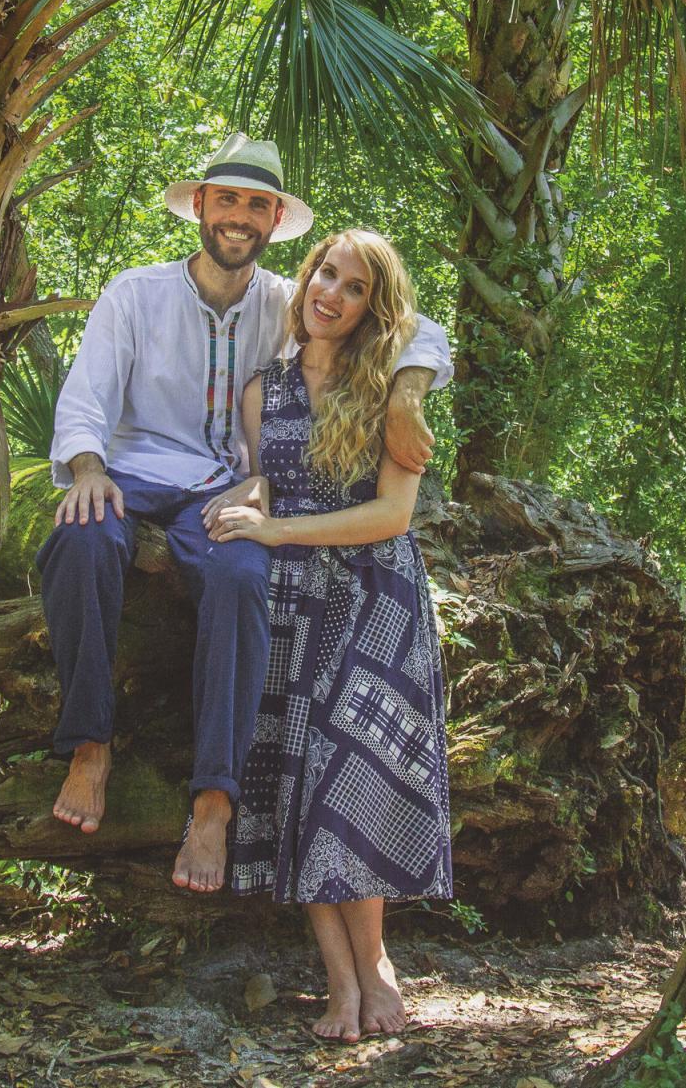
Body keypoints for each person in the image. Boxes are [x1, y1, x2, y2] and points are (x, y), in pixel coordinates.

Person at [36, 134, 451, 893]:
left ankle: (214, 799)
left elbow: (413, 324)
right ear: (200, 206)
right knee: (82, 537)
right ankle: (90, 745)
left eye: (256, 205)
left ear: (272, 221)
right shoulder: (136, 293)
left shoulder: (284, 306)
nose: (239, 216)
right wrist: (88, 468)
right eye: (226, 199)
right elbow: (86, 398)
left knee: (239, 574)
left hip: (222, 489)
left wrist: (410, 389)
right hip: (129, 470)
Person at [206, 229, 453, 1042]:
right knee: (295, 779)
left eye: (352, 288)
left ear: (369, 309)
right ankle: (341, 979)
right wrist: (240, 509)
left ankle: (375, 959)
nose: (330, 293)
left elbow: (393, 515)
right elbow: (263, 482)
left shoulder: (389, 382)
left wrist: (276, 533)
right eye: (324, 273)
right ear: (305, 275)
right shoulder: (262, 387)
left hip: (376, 601)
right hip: (289, 606)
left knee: (348, 781)